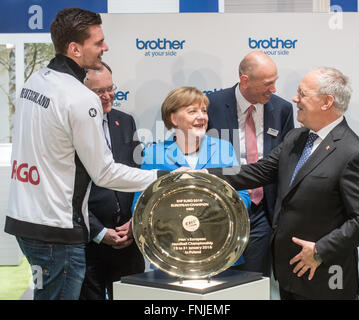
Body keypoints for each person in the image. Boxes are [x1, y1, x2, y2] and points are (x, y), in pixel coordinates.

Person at [4, 8, 162, 300]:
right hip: (57, 231)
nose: (106, 47)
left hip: (25, 222)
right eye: (98, 42)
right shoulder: (80, 98)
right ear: (75, 48)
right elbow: (105, 173)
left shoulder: (35, 81)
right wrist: (163, 178)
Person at [206, 67, 359, 299]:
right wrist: (201, 174)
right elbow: (258, 172)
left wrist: (320, 251)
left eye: (302, 94)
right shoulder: (296, 138)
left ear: (326, 102)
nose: (295, 99)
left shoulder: (353, 153)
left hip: (326, 279)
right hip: (289, 274)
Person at [131, 86, 251, 268]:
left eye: (204, 110)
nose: (201, 117)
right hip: (172, 256)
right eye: (192, 111)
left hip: (220, 252)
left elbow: (242, 199)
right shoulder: (153, 154)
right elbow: (140, 205)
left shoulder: (224, 149)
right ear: (173, 118)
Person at [207, 51, 294, 277]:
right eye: (268, 83)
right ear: (245, 80)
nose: (274, 89)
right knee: (219, 279)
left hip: (262, 211)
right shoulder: (211, 105)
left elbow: (285, 162)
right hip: (220, 209)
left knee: (254, 280)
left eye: (275, 81)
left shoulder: (282, 109)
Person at [78, 62, 144, 300]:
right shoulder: (72, 127)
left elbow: (137, 174)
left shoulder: (125, 121)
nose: (107, 96)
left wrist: (137, 222)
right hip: (89, 244)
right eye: (99, 91)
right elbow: (68, 190)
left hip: (129, 240)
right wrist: (98, 231)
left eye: (110, 88)